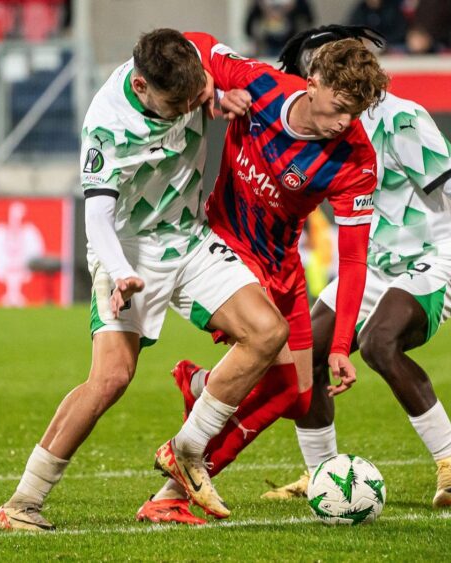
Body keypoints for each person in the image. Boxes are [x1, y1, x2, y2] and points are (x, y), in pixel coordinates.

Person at [0, 29, 290, 531]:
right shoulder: (108, 126)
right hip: (128, 248)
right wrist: (121, 271)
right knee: (111, 378)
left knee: (267, 332)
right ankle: (22, 502)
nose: (191, 106)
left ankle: (187, 450)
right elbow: (98, 219)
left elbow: (223, 79)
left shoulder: (189, 61)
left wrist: (219, 94)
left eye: (196, 94)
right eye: (183, 103)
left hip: (188, 236)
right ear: (144, 87)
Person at [134, 29, 389, 525]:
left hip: (282, 262)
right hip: (226, 249)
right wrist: (210, 89)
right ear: (312, 81)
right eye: (338, 106)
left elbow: (355, 258)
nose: (343, 123)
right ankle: (176, 484)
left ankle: (201, 392)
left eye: (354, 113)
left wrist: (339, 346)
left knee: (294, 395)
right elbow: (190, 43)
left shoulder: (355, 159)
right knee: (269, 367)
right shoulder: (261, 86)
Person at [260, 24, 451, 507]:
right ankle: (324, 476)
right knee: (302, 358)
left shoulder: (401, 120)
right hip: (370, 265)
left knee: (377, 343)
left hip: (435, 259)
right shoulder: (319, 123)